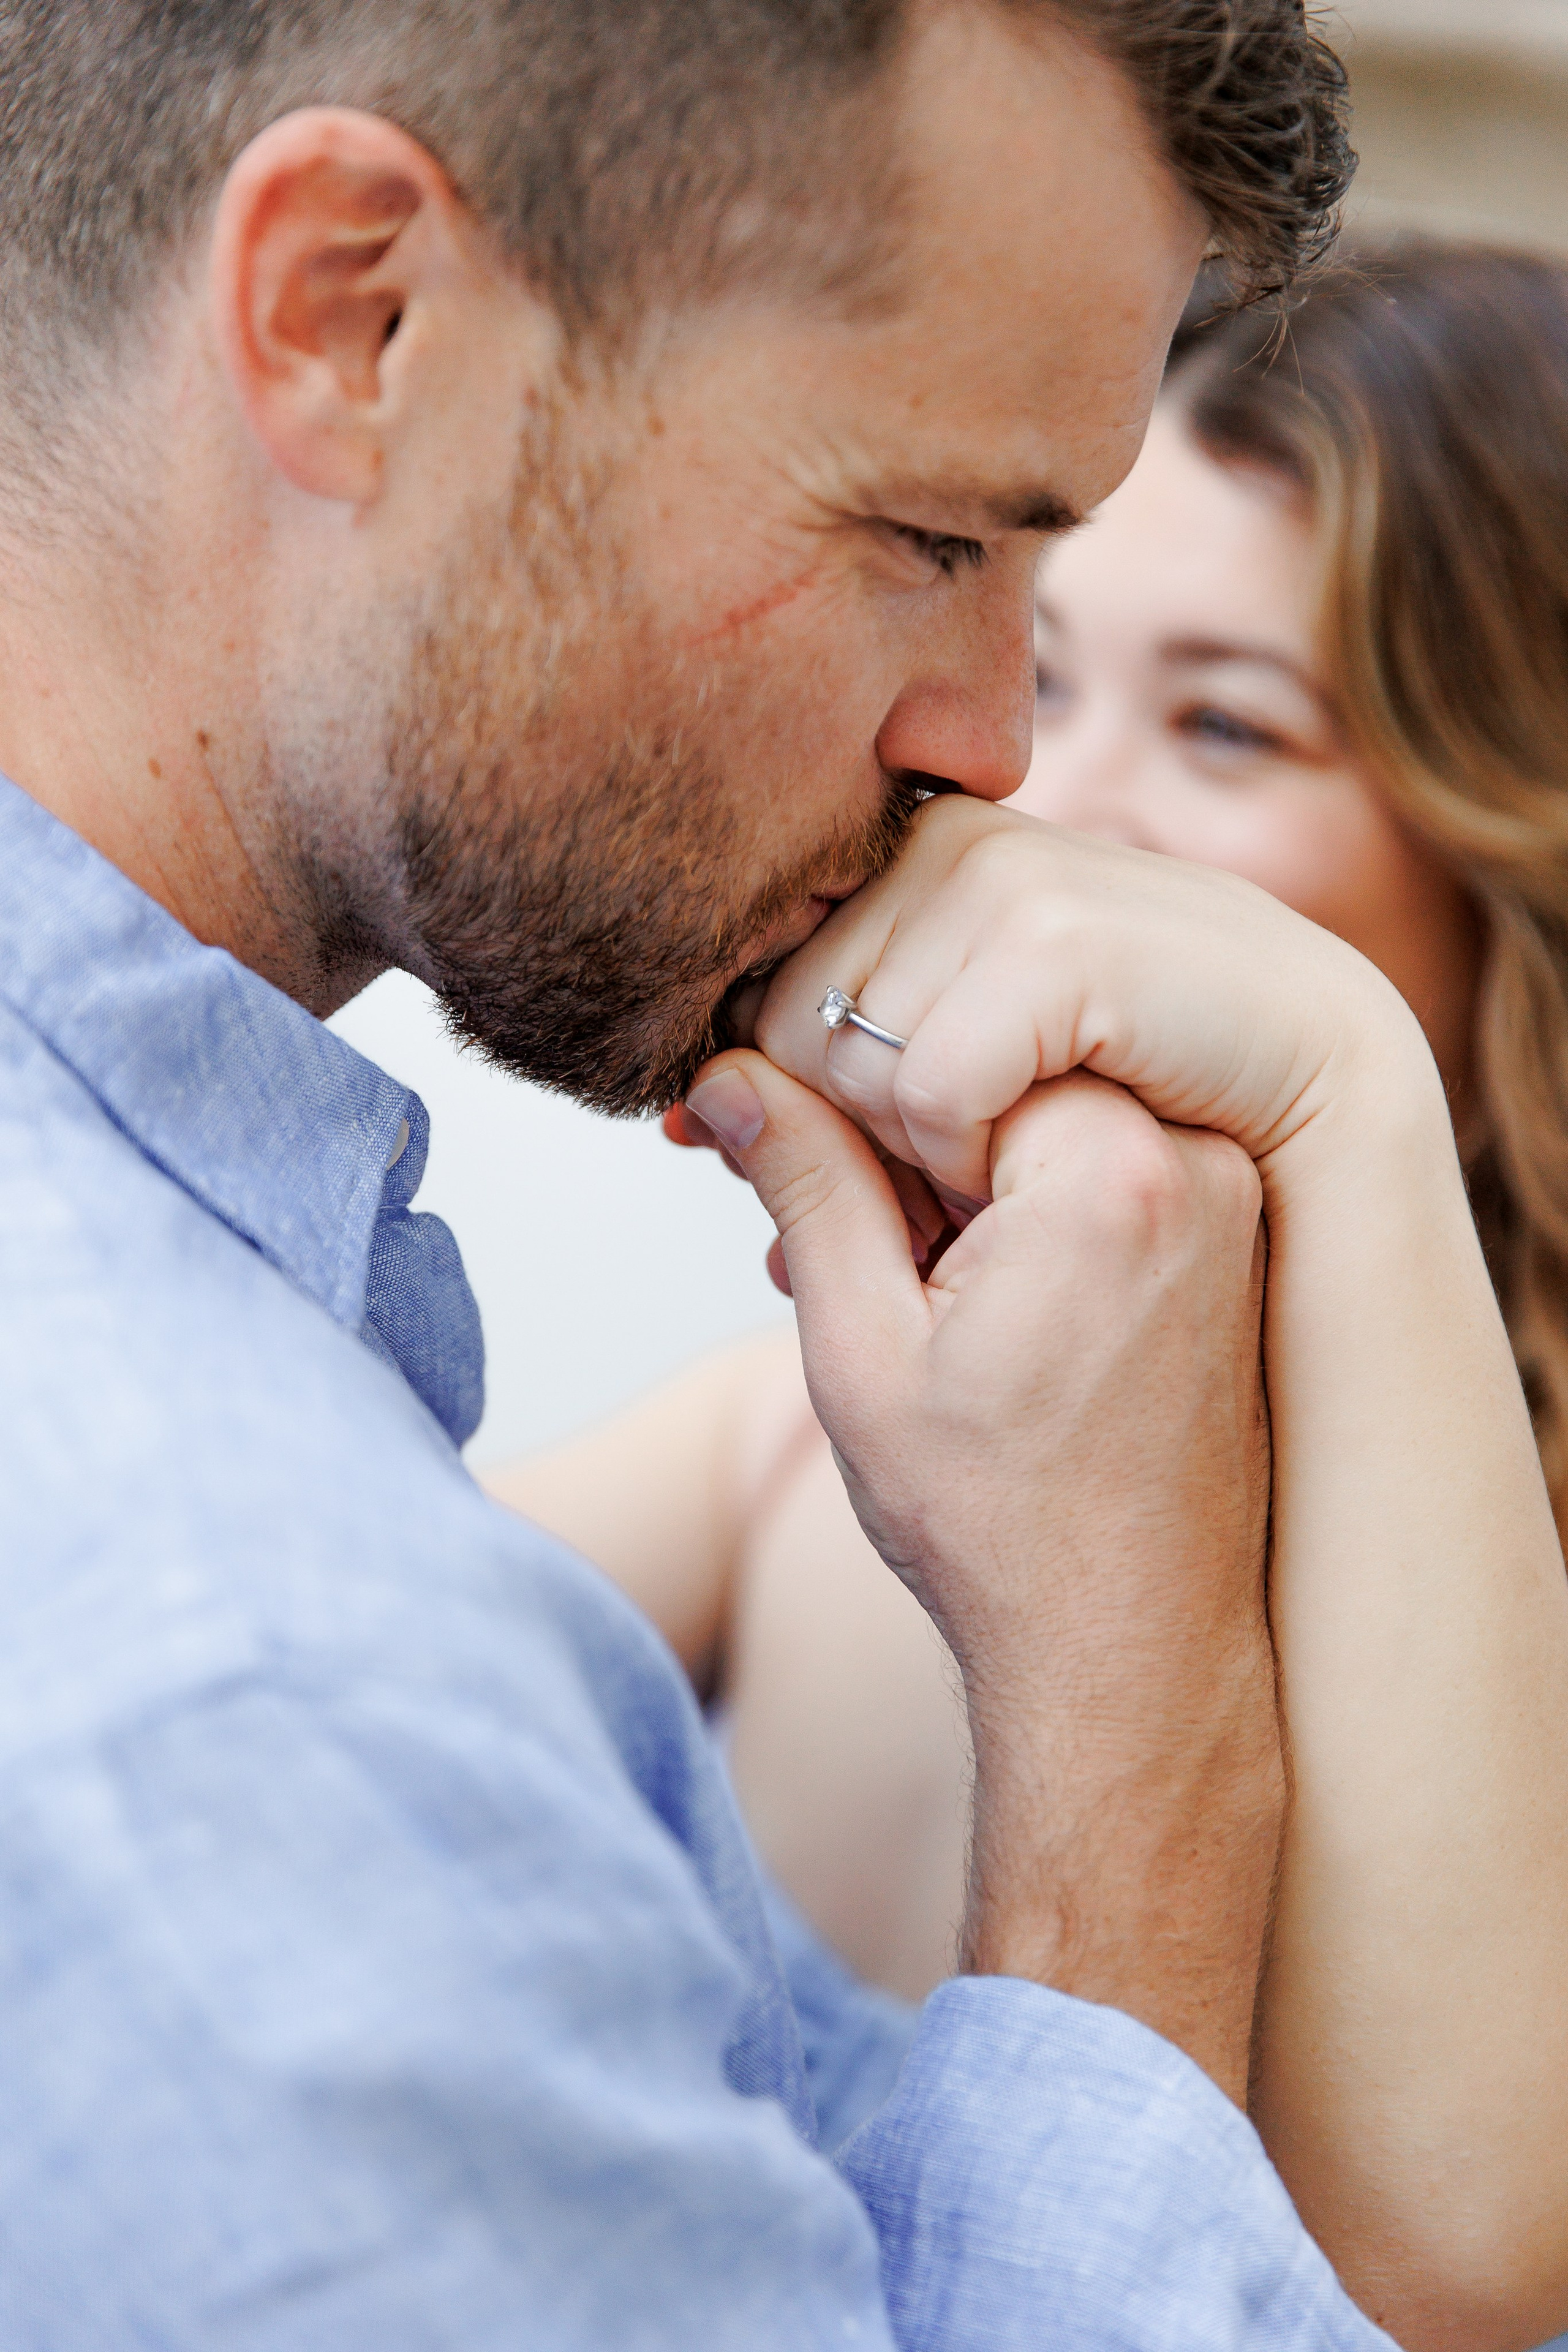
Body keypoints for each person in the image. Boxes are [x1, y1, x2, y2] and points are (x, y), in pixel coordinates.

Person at [0, 2, 1515, 2344]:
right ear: (349, 310)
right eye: (927, 533)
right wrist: (1121, 1775)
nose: (1000, 754)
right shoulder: (267, 1702)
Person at [495, 245, 1568, 2350]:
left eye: (1231, 724)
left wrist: (1335, 1085)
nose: (1053, 810)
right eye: (1044, 681)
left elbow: (1452, 2263)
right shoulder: (796, 1431)